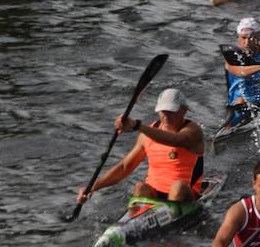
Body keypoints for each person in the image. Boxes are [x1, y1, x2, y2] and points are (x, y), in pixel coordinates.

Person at [75, 88, 207, 206]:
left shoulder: (193, 131)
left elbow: (175, 140)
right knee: (140, 187)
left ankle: (171, 216)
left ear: (184, 110)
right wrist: (93, 187)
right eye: (163, 110)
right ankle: (133, 220)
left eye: (171, 110)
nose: (166, 115)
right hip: (155, 196)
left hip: (185, 195)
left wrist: (137, 126)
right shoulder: (147, 134)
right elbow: (125, 167)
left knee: (178, 187)